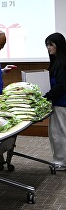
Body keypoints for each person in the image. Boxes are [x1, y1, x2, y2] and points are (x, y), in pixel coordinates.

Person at [43, 33, 66, 170]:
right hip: (58, 102)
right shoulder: (56, 61)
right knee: (58, 133)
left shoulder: (62, 63)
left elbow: (61, 86)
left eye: (51, 44)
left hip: (61, 103)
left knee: (59, 133)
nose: (48, 47)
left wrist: (47, 95)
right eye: (47, 44)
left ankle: (61, 162)